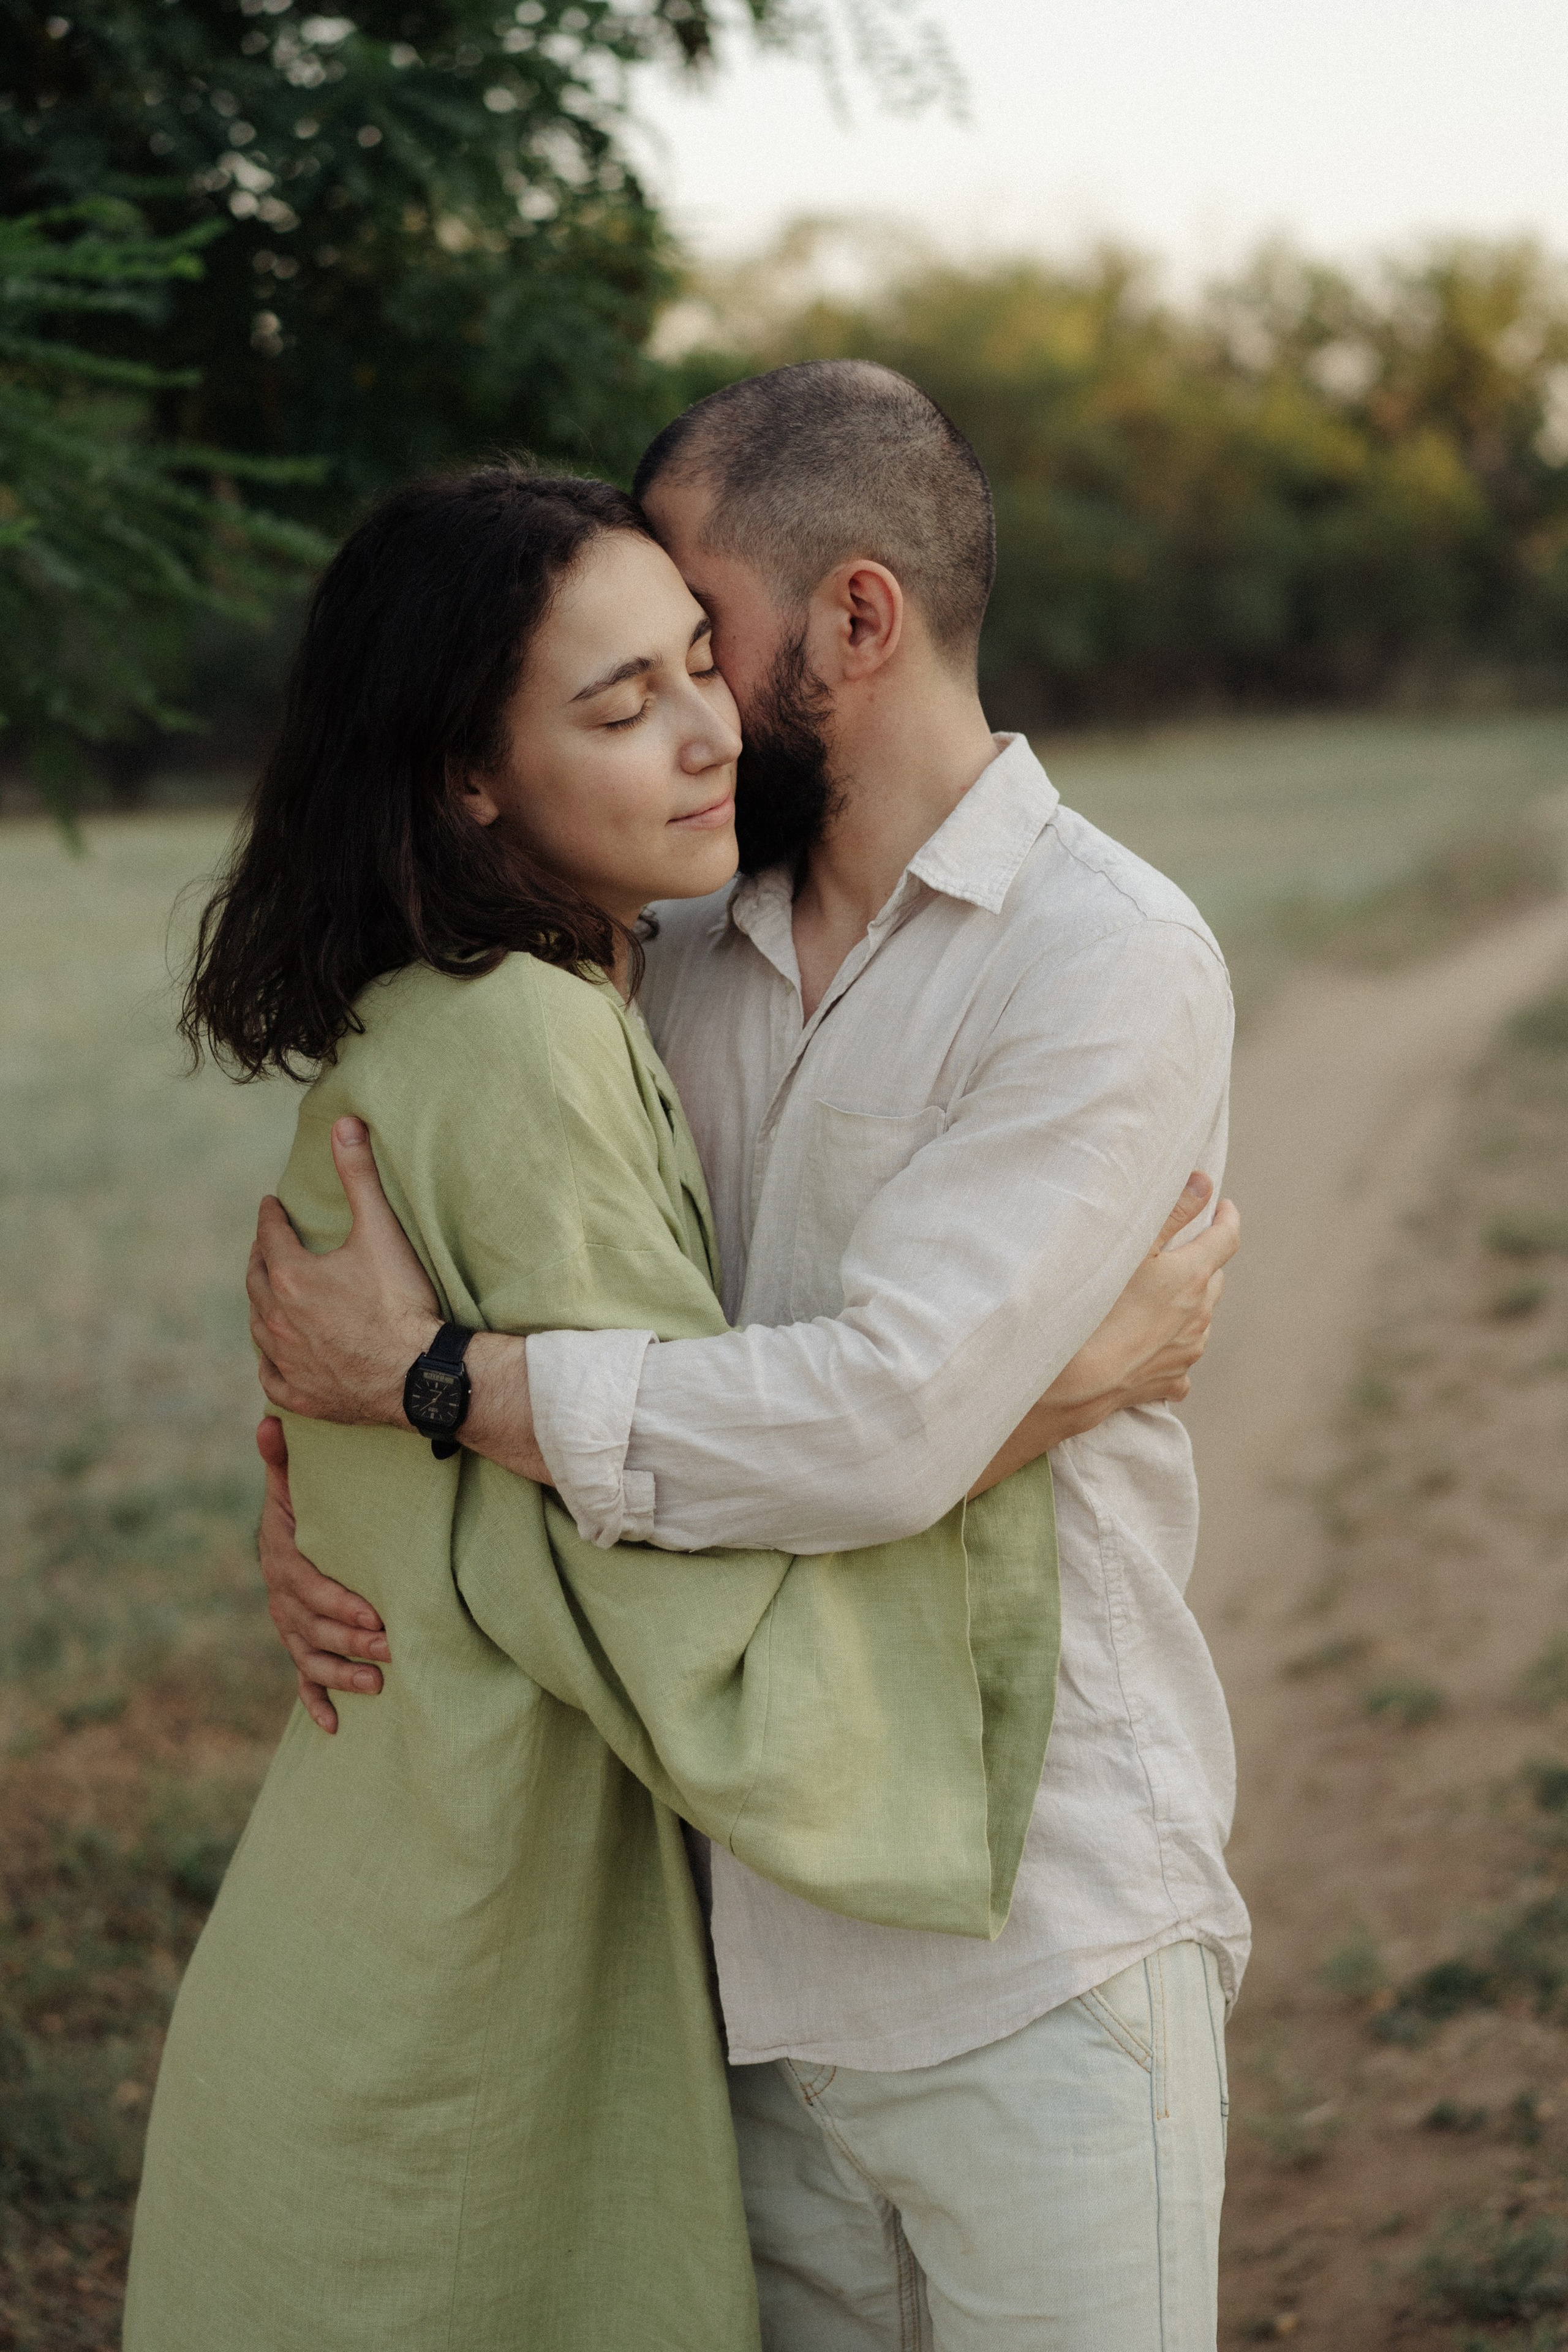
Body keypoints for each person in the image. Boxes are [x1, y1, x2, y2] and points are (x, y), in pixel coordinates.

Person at [249, 366, 1246, 2352]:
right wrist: (312, 1469)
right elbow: (403, 1190)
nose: (691, 710)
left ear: (854, 623)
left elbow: (879, 1424)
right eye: (642, 677)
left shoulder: (1104, 959)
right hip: (728, 1949)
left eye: (708, 639)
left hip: (1032, 1941)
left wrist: (448, 1391)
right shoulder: (664, 950)